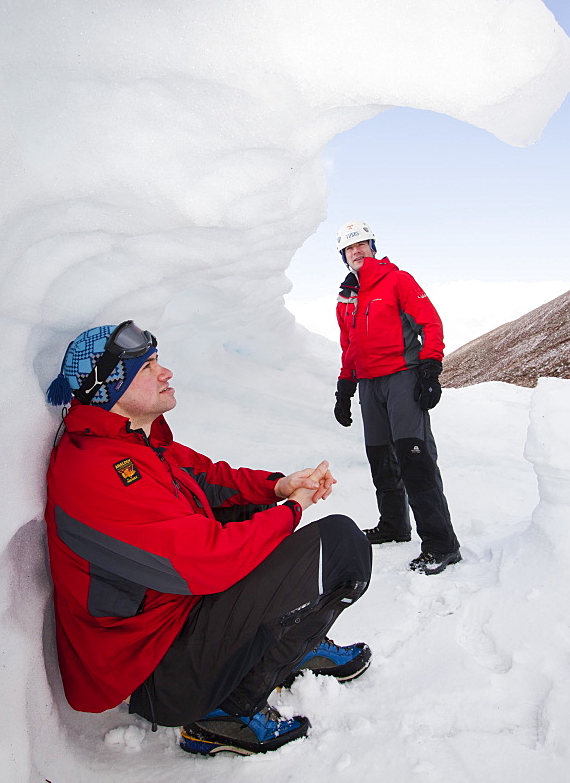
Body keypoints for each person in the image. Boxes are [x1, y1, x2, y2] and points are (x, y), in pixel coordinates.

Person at [45, 320, 372, 757]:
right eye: (146, 368)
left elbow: (209, 479)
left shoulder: (131, 444)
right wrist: (294, 509)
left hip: (173, 623)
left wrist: (277, 487)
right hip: (157, 669)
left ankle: (292, 645)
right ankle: (223, 714)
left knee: (248, 513)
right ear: (111, 389)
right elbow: (210, 559)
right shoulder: (97, 472)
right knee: (339, 546)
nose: (165, 373)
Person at [333, 220, 461, 575]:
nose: (356, 252)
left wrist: (430, 369)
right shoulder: (346, 298)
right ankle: (394, 525)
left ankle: (441, 544)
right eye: (349, 248)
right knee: (380, 458)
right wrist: (345, 389)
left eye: (361, 245)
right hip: (369, 386)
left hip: (402, 377)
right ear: (343, 256)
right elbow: (350, 348)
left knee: (414, 459)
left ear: (373, 246)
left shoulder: (397, 280)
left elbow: (430, 323)